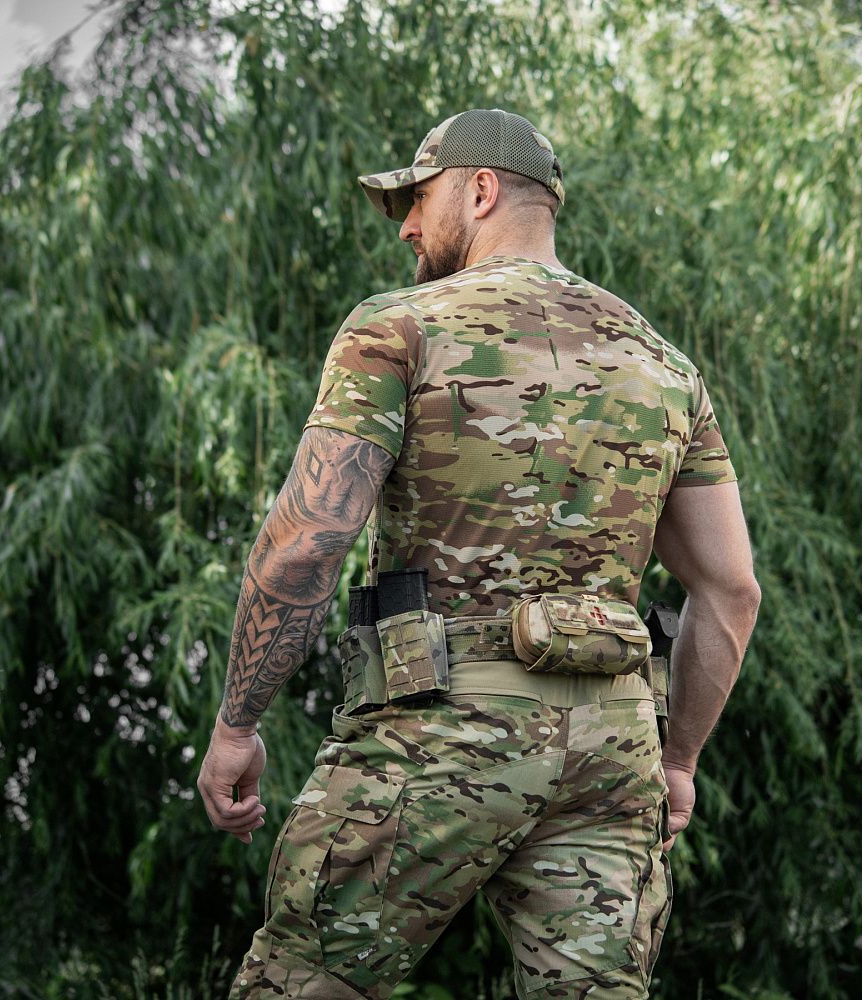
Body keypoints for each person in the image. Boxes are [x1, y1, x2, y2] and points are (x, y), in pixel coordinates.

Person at [198, 108, 760, 1000]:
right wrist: (679, 760)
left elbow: (308, 543)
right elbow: (730, 589)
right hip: (611, 759)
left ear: (482, 190)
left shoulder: (398, 328)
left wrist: (236, 725)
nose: (408, 229)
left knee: (301, 981)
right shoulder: (665, 366)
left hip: (438, 733)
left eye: (418, 202)